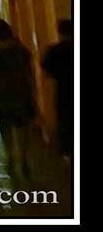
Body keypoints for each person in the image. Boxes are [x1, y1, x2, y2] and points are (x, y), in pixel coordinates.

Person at [0, 19, 37, 180]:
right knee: (23, 127)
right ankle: (23, 157)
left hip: (3, 93)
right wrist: (33, 91)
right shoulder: (20, 49)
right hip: (21, 91)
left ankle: (10, 154)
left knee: (6, 126)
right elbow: (29, 71)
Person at [42, 18, 73, 161]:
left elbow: (46, 67)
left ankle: (67, 150)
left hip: (63, 89)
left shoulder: (54, 50)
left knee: (65, 119)